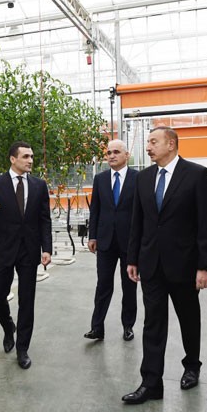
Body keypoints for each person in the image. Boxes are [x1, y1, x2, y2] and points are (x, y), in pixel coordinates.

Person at [122, 126, 207, 405]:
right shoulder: (144, 178)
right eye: (148, 142)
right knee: (152, 323)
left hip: (185, 265)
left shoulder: (197, 175)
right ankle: (151, 383)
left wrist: (205, 266)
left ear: (172, 144)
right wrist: (132, 258)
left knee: (188, 318)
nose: (148, 147)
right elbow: (137, 222)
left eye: (154, 142)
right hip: (151, 264)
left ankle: (192, 366)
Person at [0, 141, 52, 369]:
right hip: (4, 248)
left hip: (29, 250)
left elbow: (44, 219)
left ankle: (22, 348)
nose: (30, 160)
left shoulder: (39, 186)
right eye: (26, 156)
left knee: (27, 300)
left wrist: (47, 248)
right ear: (13, 159)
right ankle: (8, 326)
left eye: (32, 157)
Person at [84, 139, 138, 342]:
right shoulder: (100, 179)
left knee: (129, 287)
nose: (112, 156)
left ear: (126, 155)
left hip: (129, 242)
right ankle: (97, 327)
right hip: (105, 241)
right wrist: (92, 235)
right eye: (109, 153)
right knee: (103, 285)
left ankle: (128, 326)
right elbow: (95, 209)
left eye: (116, 152)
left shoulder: (138, 178)